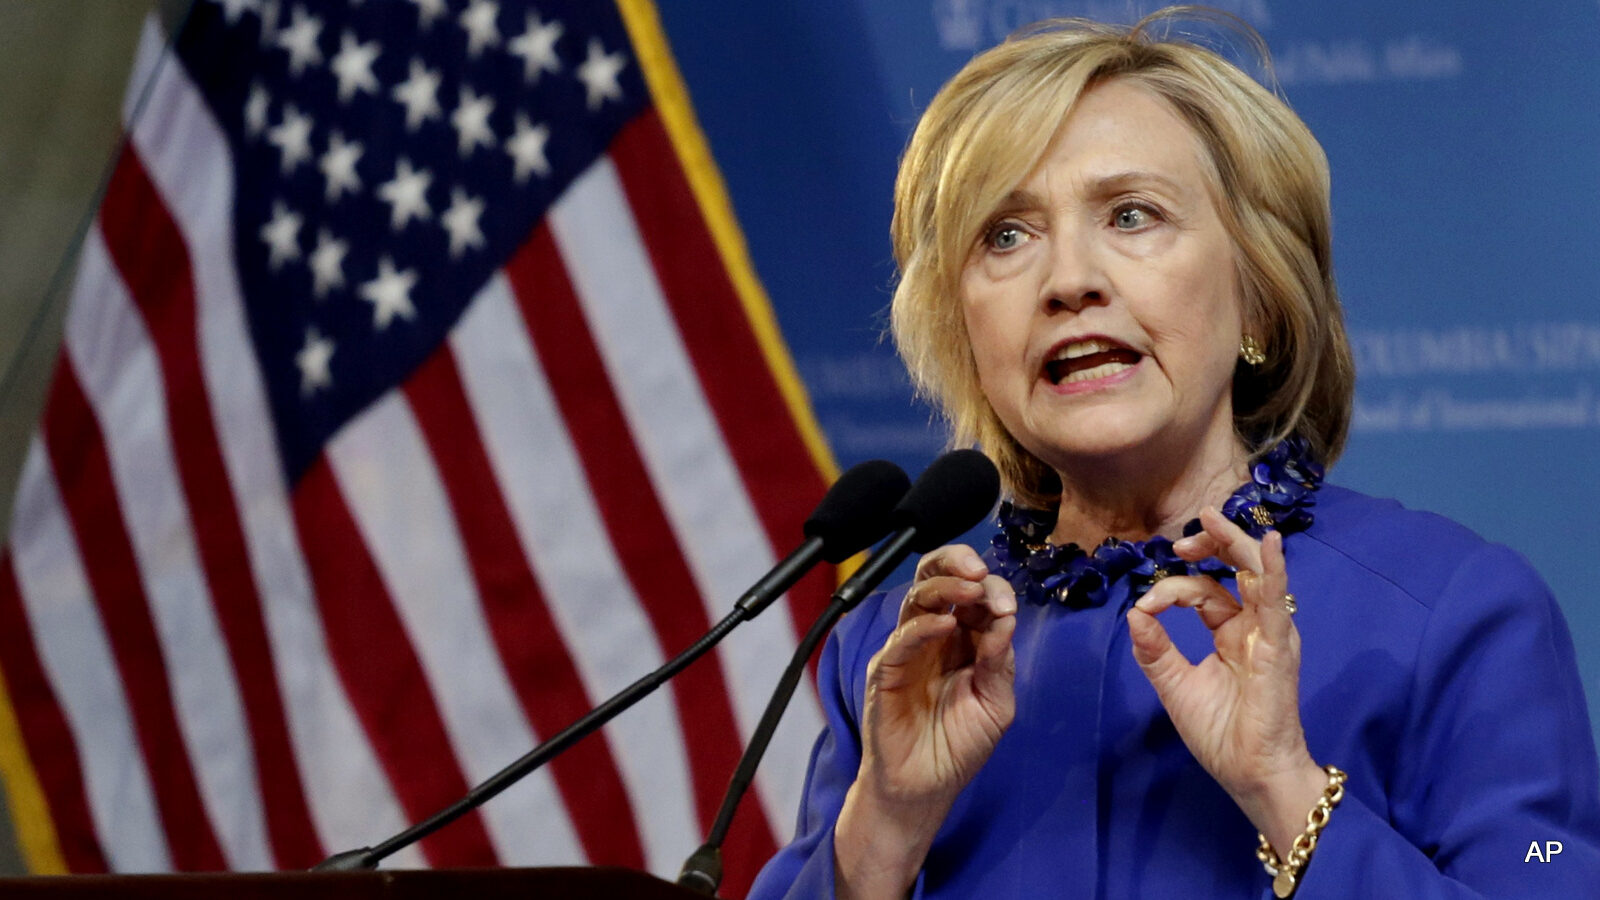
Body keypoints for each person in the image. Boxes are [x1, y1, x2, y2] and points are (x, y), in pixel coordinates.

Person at [747, 9, 1600, 899]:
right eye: (1006, 235)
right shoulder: (895, 654)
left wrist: (1285, 785)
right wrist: (883, 829)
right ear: (963, 330)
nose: (1069, 279)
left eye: (1132, 214)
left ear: (1261, 301)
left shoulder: (1453, 613)